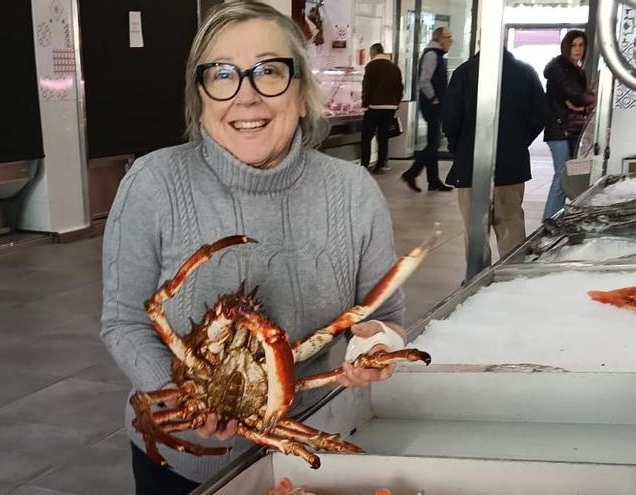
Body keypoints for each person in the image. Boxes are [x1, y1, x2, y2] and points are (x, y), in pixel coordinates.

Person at [101, 2, 407, 494]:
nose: (246, 96)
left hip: (317, 454)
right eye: (222, 74)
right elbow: (124, 321)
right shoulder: (153, 183)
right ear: (199, 96)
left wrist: (375, 344)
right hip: (185, 466)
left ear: (303, 94)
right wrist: (187, 393)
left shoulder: (353, 191)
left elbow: (387, 316)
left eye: (269, 71)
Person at [442, 48, 546, 261]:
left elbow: (450, 119)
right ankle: (513, 280)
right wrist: (518, 141)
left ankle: (477, 283)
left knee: (475, 232)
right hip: (510, 166)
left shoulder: (464, 73)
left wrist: (460, 147)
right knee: (511, 226)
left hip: (471, 166)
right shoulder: (525, 72)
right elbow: (540, 114)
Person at [542, 30, 596, 220]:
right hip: (559, 130)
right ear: (566, 46)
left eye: (581, 45)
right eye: (574, 45)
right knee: (562, 176)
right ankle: (549, 220)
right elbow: (578, 96)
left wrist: (580, 105)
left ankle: (555, 217)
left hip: (571, 130)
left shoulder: (575, 70)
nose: (578, 49)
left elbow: (578, 101)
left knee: (568, 175)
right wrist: (594, 99)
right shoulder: (560, 68)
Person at [401, 27, 453, 192]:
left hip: (434, 105)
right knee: (434, 143)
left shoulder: (436, 54)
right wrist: (434, 99)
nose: (451, 41)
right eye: (448, 37)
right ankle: (411, 173)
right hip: (432, 106)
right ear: (440, 38)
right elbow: (424, 81)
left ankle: (433, 180)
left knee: (433, 142)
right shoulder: (432, 55)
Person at [360, 43, 403, 174]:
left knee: (366, 135)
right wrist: (396, 103)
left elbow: (367, 87)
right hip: (390, 107)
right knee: (383, 136)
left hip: (375, 106)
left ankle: (364, 163)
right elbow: (400, 87)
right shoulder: (394, 67)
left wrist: (365, 105)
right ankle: (381, 164)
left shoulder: (371, 66)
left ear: (373, 52)